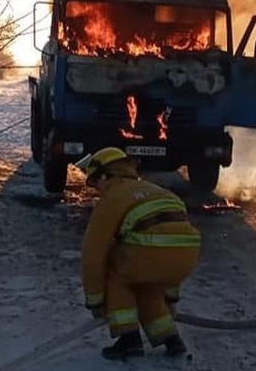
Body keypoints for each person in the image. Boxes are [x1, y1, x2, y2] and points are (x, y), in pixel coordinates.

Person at [74, 147, 201, 360]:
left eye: (96, 182)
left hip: (151, 254)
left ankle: (128, 339)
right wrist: (170, 296)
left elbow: (93, 251)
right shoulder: (157, 190)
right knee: (145, 283)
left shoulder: (113, 197)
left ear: (105, 175)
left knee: (116, 270)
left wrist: (94, 300)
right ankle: (171, 339)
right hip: (188, 255)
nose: (97, 189)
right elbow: (172, 239)